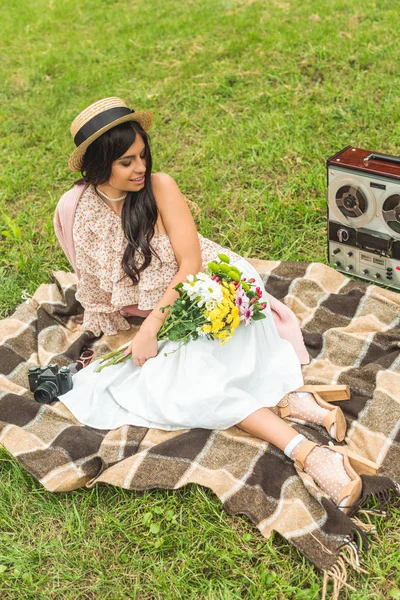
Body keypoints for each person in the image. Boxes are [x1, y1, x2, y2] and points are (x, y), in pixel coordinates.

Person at [55, 97, 377, 515]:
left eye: (142, 155)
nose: (140, 168)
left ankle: (308, 452)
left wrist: (153, 326)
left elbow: (190, 265)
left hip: (212, 287)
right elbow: (99, 283)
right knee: (149, 381)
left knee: (191, 382)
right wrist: (133, 325)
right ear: (100, 166)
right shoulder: (77, 209)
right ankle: (291, 402)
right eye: (126, 162)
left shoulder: (159, 186)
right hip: (163, 310)